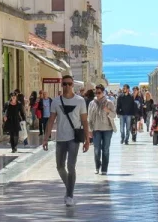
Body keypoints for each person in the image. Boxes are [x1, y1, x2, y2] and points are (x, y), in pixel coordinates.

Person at [42, 75, 90, 207]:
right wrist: (46, 138)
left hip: (74, 138)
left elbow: (85, 121)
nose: (67, 86)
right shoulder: (56, 101)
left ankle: (69, 195)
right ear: (61, 85)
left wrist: (87, 140)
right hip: (60, 138)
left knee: (71, 166)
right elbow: (51, 120)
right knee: (60, 166)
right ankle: (69, 187)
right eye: (65, 84)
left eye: (69, 84)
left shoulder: (80, 101)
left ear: (73, 85)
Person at [88, 85, 115, 175]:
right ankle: (97, 166)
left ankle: (104, 169)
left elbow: (114, 115)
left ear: (103, 92)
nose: (97, 94)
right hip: (96, 129)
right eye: (96, 93)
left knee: (105, 149)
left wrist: (108, 111)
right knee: (96, 149)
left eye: (99, 92)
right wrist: (89, 130)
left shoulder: (109, 102)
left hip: (107, 129)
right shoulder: (92, 103)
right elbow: (89, 117)